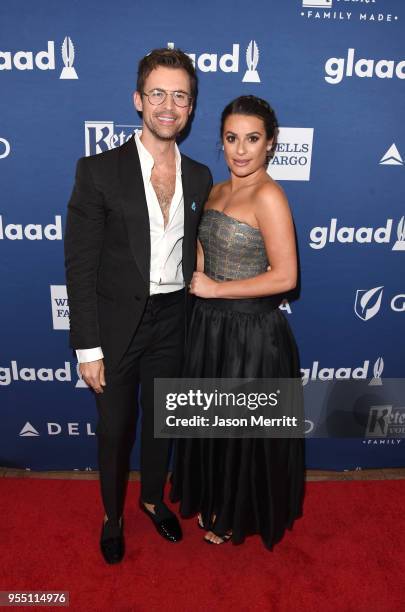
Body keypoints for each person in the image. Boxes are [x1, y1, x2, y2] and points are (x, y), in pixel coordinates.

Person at [64, 48, 212, 564]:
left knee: (160, 422)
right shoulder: (98, 171)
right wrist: (87, 347)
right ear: (138, 100)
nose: (168, 106)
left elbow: (196, 247)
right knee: (116, 429)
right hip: (116, 323)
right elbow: (79, 266)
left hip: (174, 318)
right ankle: (113, 515)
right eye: (158, 94)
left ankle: (152, 498)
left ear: (191, 107)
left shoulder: (199, 175)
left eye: (180, 96)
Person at [170, 95, 305, 549]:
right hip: (209, 329)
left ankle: (236, 512)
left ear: (270, 144)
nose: (241, 150)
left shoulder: (269, 195)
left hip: (252, 335)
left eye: (252, 139)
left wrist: (215, 289)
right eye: (231, 138)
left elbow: (286, 277)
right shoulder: (216, 189)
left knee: (242, 432)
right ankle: (215, 498)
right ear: (221, 141)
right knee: (212, 426)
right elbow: (205, 254)